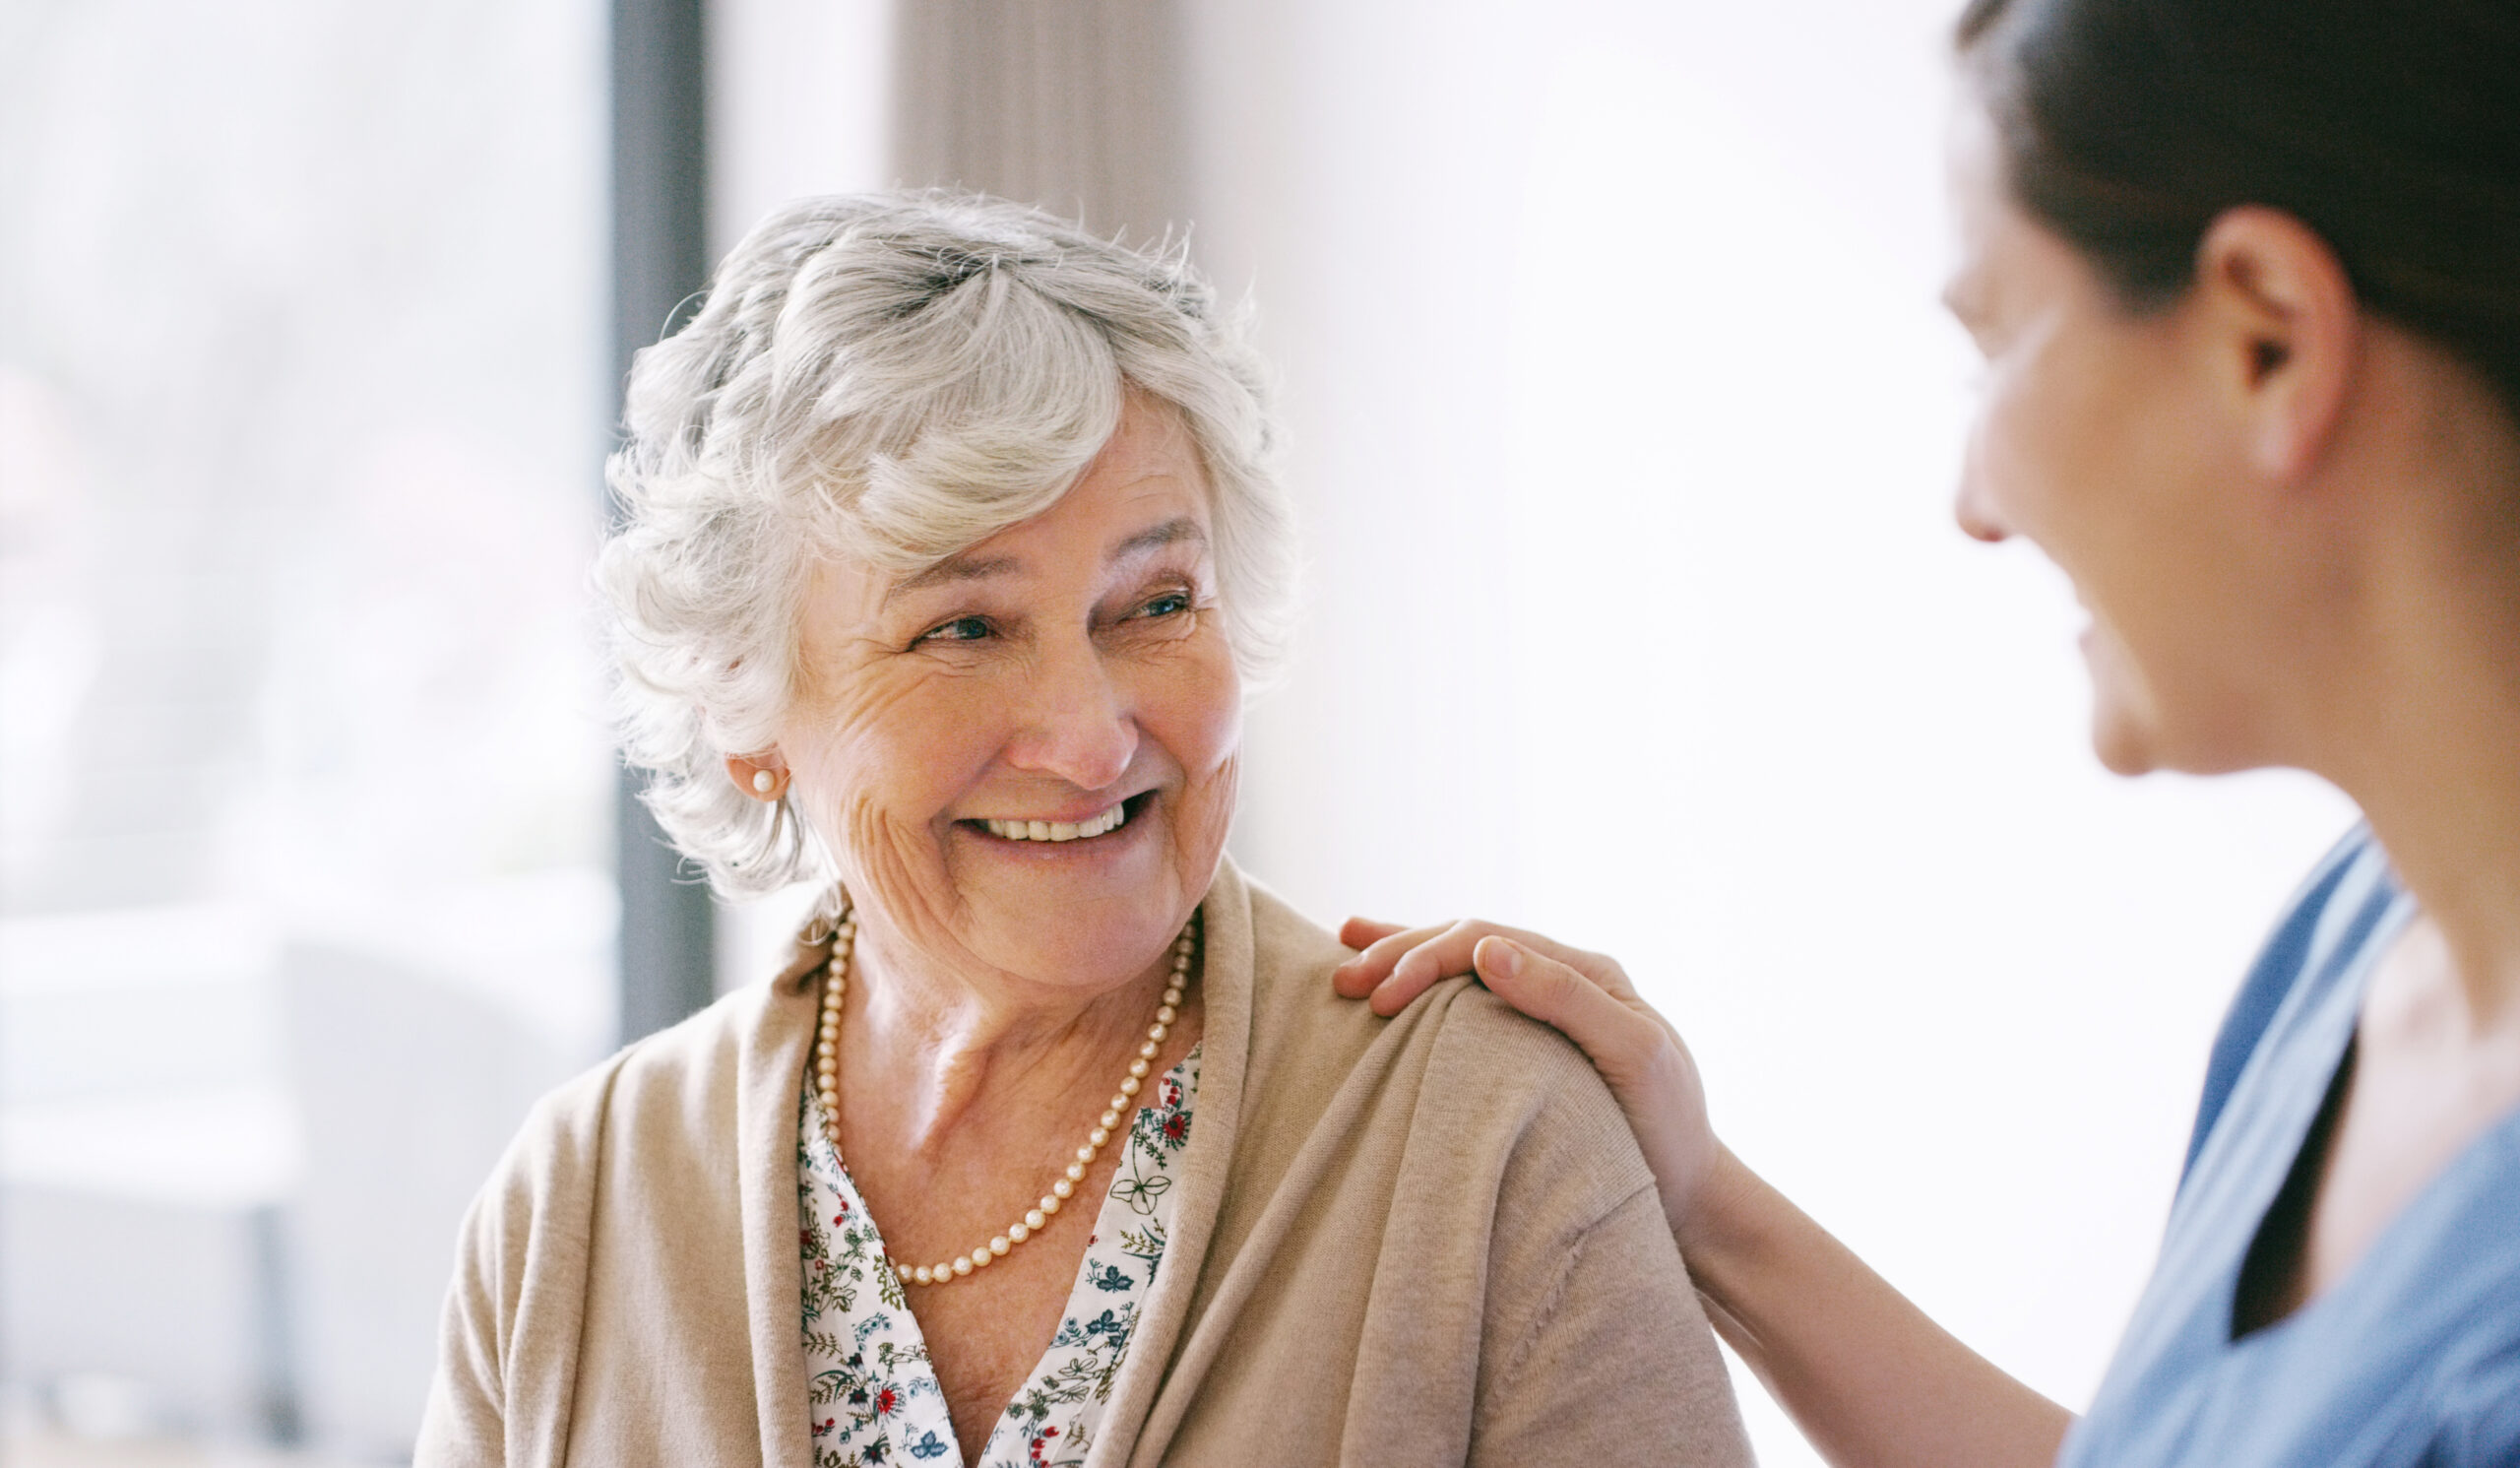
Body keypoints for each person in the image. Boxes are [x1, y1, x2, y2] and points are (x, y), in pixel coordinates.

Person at [1334, 1, 2520, 1465]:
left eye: (1996, 346)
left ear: (2265, 338)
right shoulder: (2349, 949)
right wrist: (1702, 1199)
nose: (1979, 499)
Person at [414, 193, 1749, 1468]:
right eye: (964, 628)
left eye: (1157, 602)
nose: (1092, 735)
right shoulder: (573, 1213)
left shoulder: (1488, 1140)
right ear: (745, 710)